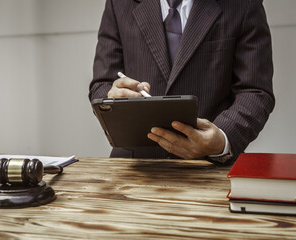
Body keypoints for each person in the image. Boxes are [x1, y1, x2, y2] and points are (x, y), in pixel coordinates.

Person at [89, 0, 275, 164]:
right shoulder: (118, 3)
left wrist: (222, 139)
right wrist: (111, 97)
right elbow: (102, 84)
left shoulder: (244, 3)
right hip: (133, 167)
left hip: (209, 168)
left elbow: (255, 91)